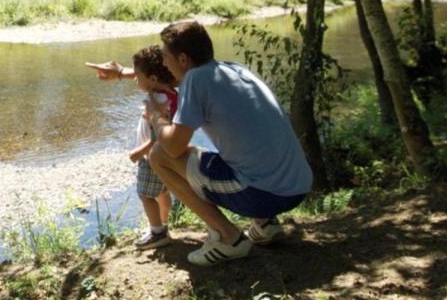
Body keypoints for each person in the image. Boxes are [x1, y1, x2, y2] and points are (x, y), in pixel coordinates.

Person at [92, 21, 313, 266]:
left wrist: (156, 116)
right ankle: (265, 223)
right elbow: (170, 79)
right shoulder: (231, 69)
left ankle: (229, 238)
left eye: (165, 57)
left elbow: (173, 147)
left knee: (159, 156)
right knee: (233, 152)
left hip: (264, 194)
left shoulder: (195, 80)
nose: (164, 63)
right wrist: (124, 73)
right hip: (297, 185)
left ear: (183, 59)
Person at [126, 46, 179, 249]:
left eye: (138, 75)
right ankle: (163, 225)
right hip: (166, 156)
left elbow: (158, 136)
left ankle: (157, 232)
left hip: (151, 157)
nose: (135, 78)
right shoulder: (171, 95)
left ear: (153, 79)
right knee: (162, 192)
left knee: (146, 195)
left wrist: (139, 152)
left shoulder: (155, 102)